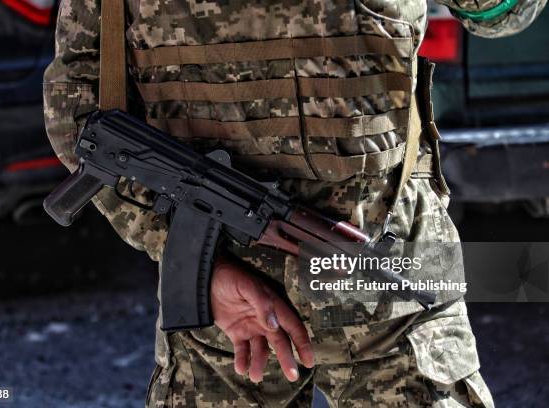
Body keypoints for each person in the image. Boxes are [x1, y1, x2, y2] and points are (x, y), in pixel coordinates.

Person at [43, 0, 545, 406]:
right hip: (228, 322)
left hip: (395, 284)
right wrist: (194, 263)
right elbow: (79, 110)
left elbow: (499, 13)